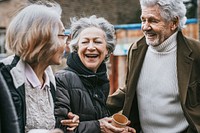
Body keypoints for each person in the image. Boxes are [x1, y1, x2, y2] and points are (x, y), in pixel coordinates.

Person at [106, 0, 200, 132]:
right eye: (143, 20)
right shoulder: (136, 49)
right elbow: (129, 89)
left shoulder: (196, 52)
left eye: (153, 21)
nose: (145, 27)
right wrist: (92, 111)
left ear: (174, 22)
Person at [0, 1, 79, 133]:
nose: (67, 45)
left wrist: (64, 124)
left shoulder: (50, 80)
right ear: (42, 38)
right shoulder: (5, 77)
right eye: (62, 35)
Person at [54, 15, 136, 133]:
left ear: (107, 49)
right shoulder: (62, 79)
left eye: (97, 42)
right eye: (85, 42)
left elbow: (97, 120)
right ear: (76, 48)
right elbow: (59, 128)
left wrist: (114, 129)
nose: (91, 47)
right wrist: (98, 126)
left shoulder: (101, 80)